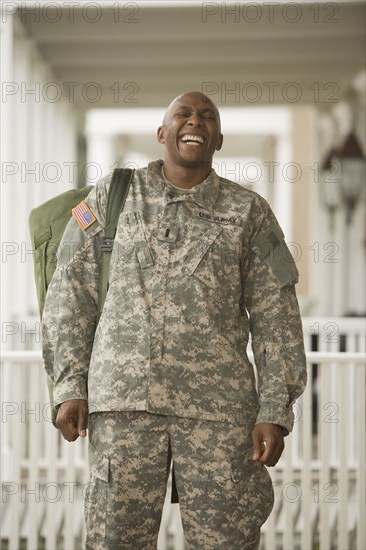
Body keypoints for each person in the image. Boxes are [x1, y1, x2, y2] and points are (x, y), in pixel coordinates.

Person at [42, 91, 307, 549]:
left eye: (206, 117)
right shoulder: (111, 197)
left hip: (219, 414)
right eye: (182, 114)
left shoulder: (249, 212)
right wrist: (69, 386)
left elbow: (275, 313)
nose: (195, 122)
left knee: (227, 540)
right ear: (162, 133)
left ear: (218, 139)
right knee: (115, 540)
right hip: (124, 406)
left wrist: (274, 410)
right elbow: (70, 291)